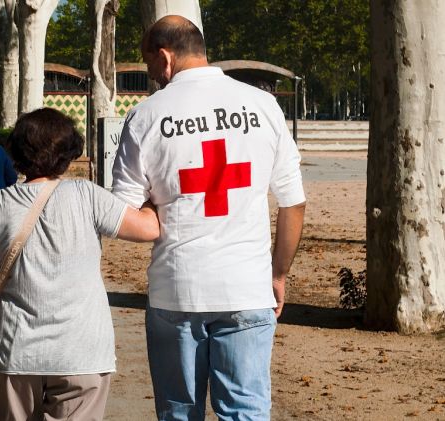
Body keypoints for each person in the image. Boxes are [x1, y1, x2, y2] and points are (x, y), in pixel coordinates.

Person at [111, 16, 306, 420]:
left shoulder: (145, 116)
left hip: (177, 290)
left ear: (165, 58)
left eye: (151, 68)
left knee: (180, 412)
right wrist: (278, 274)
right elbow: (293, 202)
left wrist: (163, 211)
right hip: (248, 286)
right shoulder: (263, 105)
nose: (154, 78)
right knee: (247, 410)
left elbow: (123, 215)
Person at [0, 108, 160, 421]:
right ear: (68, 154)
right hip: (81, 350)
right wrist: (152, 197)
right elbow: (148, 229)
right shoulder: (87, 195)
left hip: (16, 349)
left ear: (15, 151)